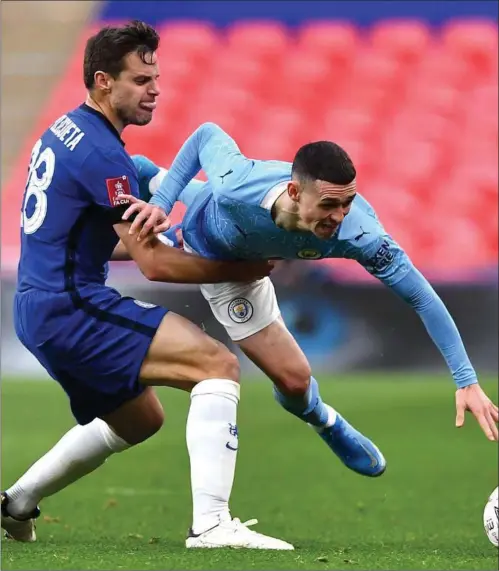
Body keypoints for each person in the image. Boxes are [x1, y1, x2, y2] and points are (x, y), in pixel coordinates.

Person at [1, 25, 294, 551]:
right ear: (102, 82)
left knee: (140, 418)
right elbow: (153, 265)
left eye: (156, 77)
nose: (154, 89)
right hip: (70, 306)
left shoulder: (64, 130)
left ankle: (16, 503)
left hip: (38, 304)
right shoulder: (102, 155)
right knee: (216, 364)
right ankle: (211, 525)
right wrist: (242, 269)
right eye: (140, 80)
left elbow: (84, 240)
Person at [120, 122, 499, 463]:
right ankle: (155, 191)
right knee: (108, 242)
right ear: (294, 192)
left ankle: (324, 420)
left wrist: (466, 380)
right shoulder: (238, 182)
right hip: (207, 231)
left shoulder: (361, 235)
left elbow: (421, 297)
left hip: (238, 272)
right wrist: (160, 204)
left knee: (294, 382)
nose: (339, 215)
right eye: (329, 204)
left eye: (347, 202)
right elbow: (206, 135)